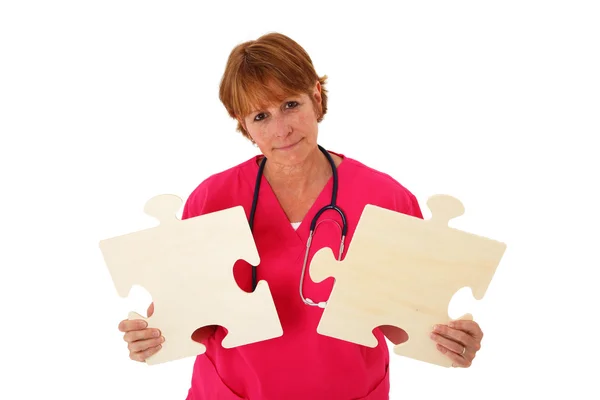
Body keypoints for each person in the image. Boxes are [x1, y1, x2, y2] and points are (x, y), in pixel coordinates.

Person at [117, 32, 485, 399]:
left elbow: (410, 323)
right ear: (243, 124)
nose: (282, 130)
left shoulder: (387, 198)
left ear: (316, 96)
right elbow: (188, 319)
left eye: (290, 105)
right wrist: (150, 335)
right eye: (261, 116)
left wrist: (452, 340)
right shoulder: (213, 199)